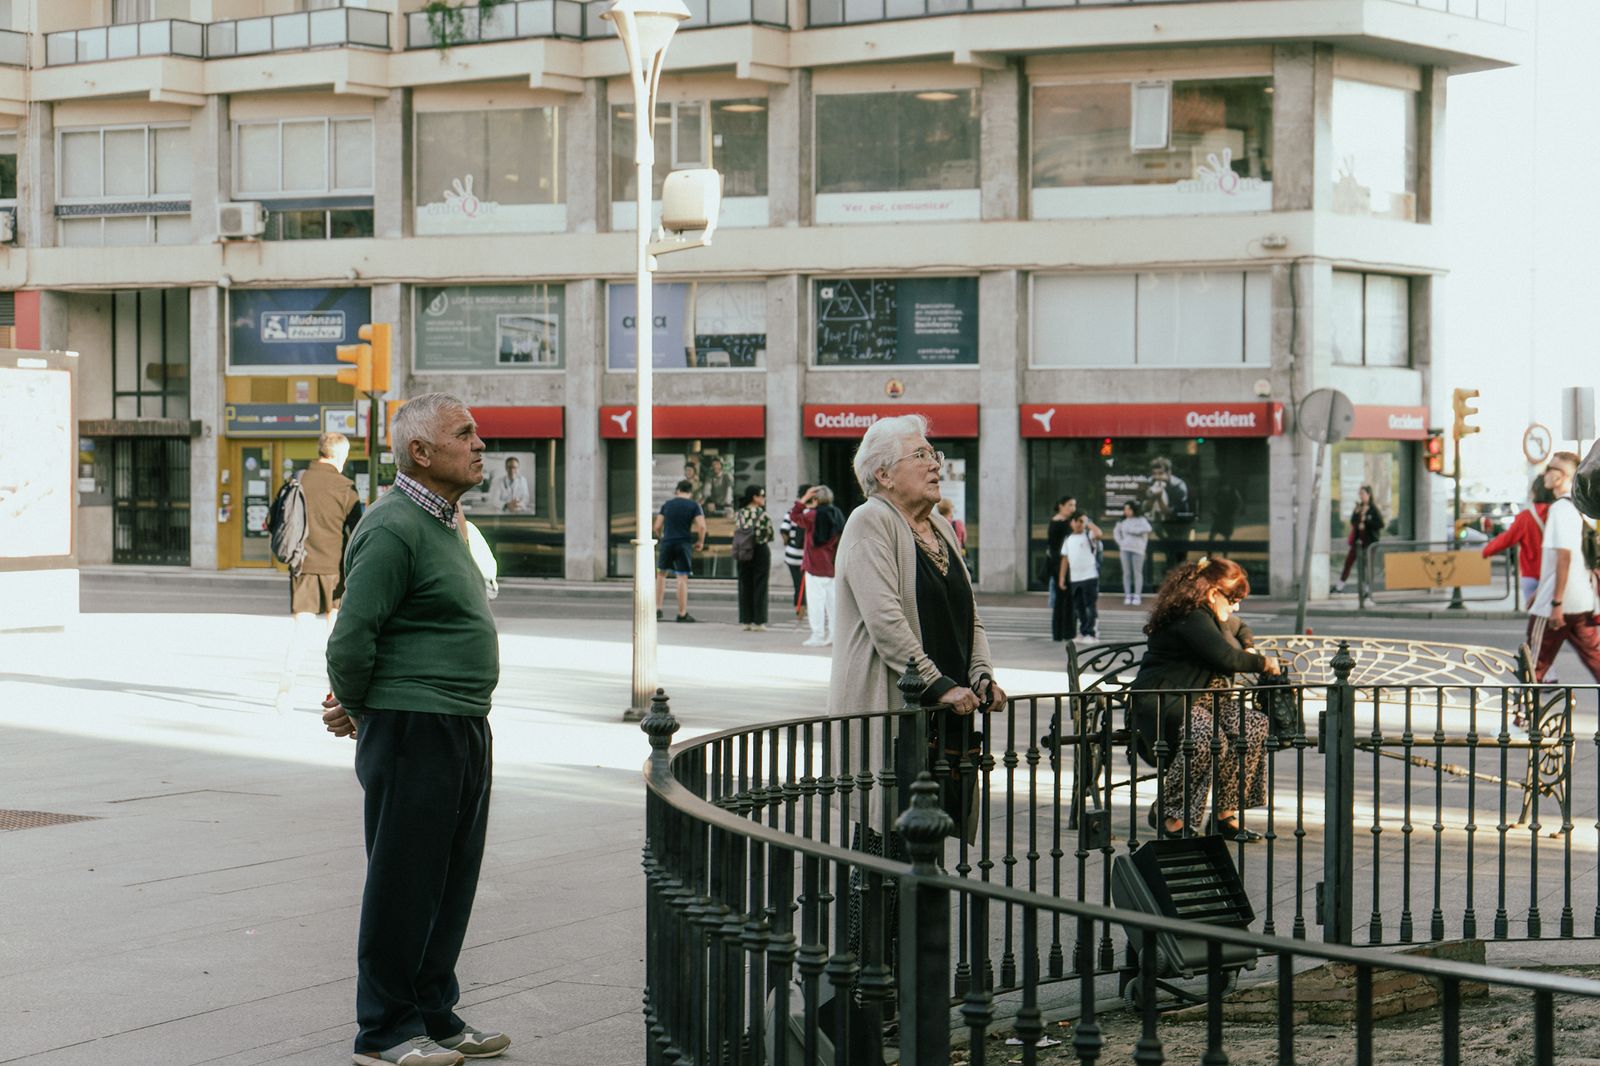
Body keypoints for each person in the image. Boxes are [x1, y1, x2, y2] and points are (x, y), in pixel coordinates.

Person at [319, 393, 510, 1066]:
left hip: (461, 723)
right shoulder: (393, 525)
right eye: (465, 434)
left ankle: (433, 1014)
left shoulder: (447, 521)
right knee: (404, 883)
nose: (480, 444)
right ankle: (385, 1032)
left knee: (449, 882)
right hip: (414, 727)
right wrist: (362, 709)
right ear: (421, 452)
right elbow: (352, 637)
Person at [829, 413, 1007, 841]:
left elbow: (969, 614)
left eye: (934, 454)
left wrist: (981, 675)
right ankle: (875, 888)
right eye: (921, 455)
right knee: (886, 839)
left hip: (945, 714)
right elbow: (886, 620)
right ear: (884, 474)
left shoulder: (940, 525)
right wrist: (938, 685)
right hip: (899, 707)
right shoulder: (870, 521)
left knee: (929, 836)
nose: (935, 465)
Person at [1128, 556, 1280, 842]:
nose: (1236, 606)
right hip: (1169, 699)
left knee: (1253, 726)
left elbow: (1240, 627)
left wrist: (1248, 646)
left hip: (1206, 701)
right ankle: (1170, 811)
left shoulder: (1214, 616)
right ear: (1212, 593)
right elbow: (1224, 657)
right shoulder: (1191, 617)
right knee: (1208, 738)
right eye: (1233, 599)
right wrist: (1263, 663)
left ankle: (1224, 817)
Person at [275, 431, 362, 715]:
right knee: (335, 635)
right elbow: (358, 531)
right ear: (340, 455)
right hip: (336, 570)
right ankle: (333, 694)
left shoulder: (296, 479)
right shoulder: (345, 487)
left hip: (302, 566)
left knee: (300, 631)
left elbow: (276, 519)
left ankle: (285, 692)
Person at [1526, 452, 1600, 682]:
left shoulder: (1560, 509)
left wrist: (1555, 603)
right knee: (1596, 659)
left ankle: (1524, 707)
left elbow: (1564, 557)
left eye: (1551, 468)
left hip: (1557, 605)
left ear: (1563, 476)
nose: (1546, 474)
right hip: (1582, 602)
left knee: (1533, 665)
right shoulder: (1582, 510)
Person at [1483, 475, 1555, 608]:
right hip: (1555, 575)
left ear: (1534, 492)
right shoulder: (1559, 513)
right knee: (1557, 614)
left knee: (1536, 615)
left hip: (1531, 575)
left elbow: (1507, 539)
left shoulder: (1525, 517)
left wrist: (1486, 551)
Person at [790, 485, 844, 646]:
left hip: (814, 566)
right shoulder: (837, 514)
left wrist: (804, 498)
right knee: (833, 605)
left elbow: (794, 515)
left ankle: (818, 636)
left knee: (816, 604)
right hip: (833, 566)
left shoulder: (812, 515)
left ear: (815, 499)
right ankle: (835, 636)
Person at [654, 479, 706, 624]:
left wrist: (662, 538)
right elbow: (702, 526)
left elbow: (657, 526)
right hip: (684, 543)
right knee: (682, 578)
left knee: (661, 575)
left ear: (677, 490)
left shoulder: (667, 505)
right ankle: (682, 614)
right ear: (690, 492)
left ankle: (657, 609)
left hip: (667, 542)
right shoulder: (694, 505)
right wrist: (700, 541)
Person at [734, 484, 775, 631]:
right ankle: (759, 621)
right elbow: (770, 535)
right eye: (761, 495)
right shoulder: (763, 515)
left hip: (743, 551)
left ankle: (746, 620)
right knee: (760, 585)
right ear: (754, 497)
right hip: (759, 550)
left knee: (745, 585)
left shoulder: (739, 514)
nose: (764, 498)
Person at [1058, 511, 1101, 644]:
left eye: (1081, 521)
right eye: (1076, 521)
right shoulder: (1068, 539)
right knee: (1079, 607)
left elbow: (1099, 534)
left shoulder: (1089, 535)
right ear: (1071, 523)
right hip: (1075, 579)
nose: (1079, 524)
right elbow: (1065, 559)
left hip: (1090, 576)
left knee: (1089, 606)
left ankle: (1092, 633)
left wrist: (1088, 522)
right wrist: (1062, 577)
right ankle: (1083, 632)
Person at [1145, 456, 1193, 569]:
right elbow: (1146, 508)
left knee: (1180, 558)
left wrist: (1158, 497)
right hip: (1163, 526)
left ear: (1169, 472)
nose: (1157, 477)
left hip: (1180, 526)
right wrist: (1152, 497)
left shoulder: (1179, 487)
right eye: (1154, 473)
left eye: (1160, 473)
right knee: (1168, 555)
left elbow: (1170, 513)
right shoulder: (1151, 482)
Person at [1334, 485, 1384, 593]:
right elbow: (1353, 522)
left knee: (1367, 565)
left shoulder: (1373, 509)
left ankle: (1368, 589)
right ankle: (1340, 586)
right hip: (1357, 542)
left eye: (1362, 493)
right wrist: (1356, 514)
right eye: (1360, 494)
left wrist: (1367, 520)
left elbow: (1380, 524)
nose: (1361, 496)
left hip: (1369, 542)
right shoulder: (1359, 507)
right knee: (1348, 562)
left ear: (1369, 494)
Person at [1045, 495, 1075, 642]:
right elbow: (1055, 547)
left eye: (1074, 505)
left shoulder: (1065, 522)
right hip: (1059, 565)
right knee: (1061, 600)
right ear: (1061, 506)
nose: (1072, 508)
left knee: (1068, 600)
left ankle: (1066, 633)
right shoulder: (1058, 523)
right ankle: (1060, 633)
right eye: (1070, 505)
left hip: (1066, 564)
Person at [778, 484, 811, 621]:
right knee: (807, 585)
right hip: (807, 556)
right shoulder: (812, 513)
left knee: (798, 584)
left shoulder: (791, 512)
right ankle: (804, 610)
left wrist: (788, 544)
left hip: (792, 555)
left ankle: (799, 611)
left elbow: (784, 531)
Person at [1114, 500, 1153, 605]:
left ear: (1133, 510)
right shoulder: (1122, 521)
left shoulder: (1141, 520)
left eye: (1128, 509)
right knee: (1126, 573)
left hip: (1138, 550)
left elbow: (1148, 528)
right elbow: (1116, 532)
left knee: (1137, 573)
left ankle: (1137, 595)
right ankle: (1127, 595)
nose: (1126, 511)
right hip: (1125, 549)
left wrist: (1133, 530)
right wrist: (1121, 543)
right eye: (1125, 509)